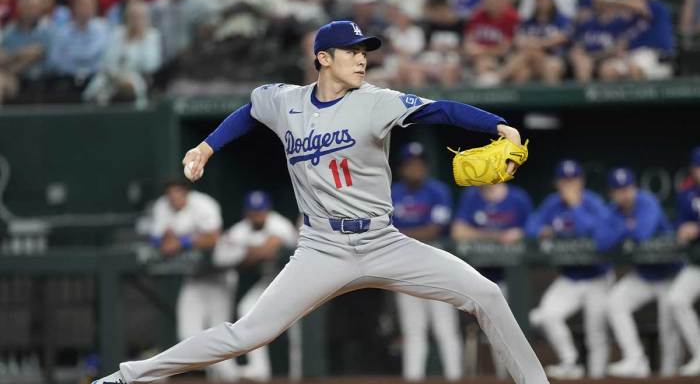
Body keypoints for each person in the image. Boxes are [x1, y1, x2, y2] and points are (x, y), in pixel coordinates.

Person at [93, 20, 549, 384]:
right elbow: (249, 111)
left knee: (486, 295)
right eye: (351, 52)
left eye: (364, 51)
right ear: (322, 58)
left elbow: (440, 109)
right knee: (247, 334)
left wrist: (498, 125)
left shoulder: (376, 102)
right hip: (321, 248)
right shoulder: (285, 102)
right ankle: (126, 378)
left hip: (384, 241)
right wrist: (206, 148)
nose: (361, 59)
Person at [525, 160, 612, 379]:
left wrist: (575, 206)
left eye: (573, 180)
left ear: (581, 181)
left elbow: (599, 234)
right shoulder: (553, 203)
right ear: (557, 183)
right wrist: (542, 231)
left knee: (596, 333)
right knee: (547, 315)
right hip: (570, 278)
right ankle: (570, 362)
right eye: (564, 181)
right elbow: (530, 227)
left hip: (597, 277)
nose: (569, 185)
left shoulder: (593, 202)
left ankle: (597, 376)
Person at [148, 179, 235, 381]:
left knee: (222, 334)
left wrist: (182, 241)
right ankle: (213, 374)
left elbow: (213, 237)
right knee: (187, 333)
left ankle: (229, 378)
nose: (174, 198)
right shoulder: (162, 206)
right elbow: (155, 237)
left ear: (186, 193)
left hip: (218, 277)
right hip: (194, 278)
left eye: (177, 193)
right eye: (170, 194)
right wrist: (165, 241)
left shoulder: (204, 204)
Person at [601, 167, 684, 378]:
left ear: (634, 187)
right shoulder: (613, 209)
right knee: (615, 301)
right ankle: (635, 359)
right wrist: (625, 226)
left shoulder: (647, 201)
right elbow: (603, 240)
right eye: (619, 190)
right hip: (644, 275)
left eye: (628, 188)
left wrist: (621, 228)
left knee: (668, 332)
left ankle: (671, 375)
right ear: (612, 193)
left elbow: (642, 233)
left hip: (670, 274)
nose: (625, 194)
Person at [390, 142, 462, 382]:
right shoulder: (392, 192)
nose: (416, 168)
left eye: (420, 164)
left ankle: (455, 377)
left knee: (444, 327)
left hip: (435, 262)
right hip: (404, 265)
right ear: (402, 168)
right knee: (413, 329)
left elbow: (435, 229)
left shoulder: (438, 191)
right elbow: (384, 229)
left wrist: (401, 234)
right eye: (411, 164)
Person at [213, 190, 298, 381]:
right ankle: (259, 369)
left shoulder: (280, 224)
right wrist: (254, 251)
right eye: (253, 211)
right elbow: (220, 255)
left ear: (268, 210)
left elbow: (283, 247)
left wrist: (252, 251)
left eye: (260, 211)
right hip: (270, 281)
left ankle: (300, 374)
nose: (257, 215)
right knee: (246, 308)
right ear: (246, 212)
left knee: (296, 327)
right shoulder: (240, 229)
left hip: (294, 281)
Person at [451, 182, 532, 378]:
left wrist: (520, 234)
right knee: (492, 332)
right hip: (476, 278)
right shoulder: (471, 196)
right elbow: (458, 232)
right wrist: (497, 236)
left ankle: (511, 378)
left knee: (509, 333)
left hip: (511, 280)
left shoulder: (518, 197)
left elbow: (533, 228)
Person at [82, 0, 162, 107]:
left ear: (146, 18)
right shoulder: (117, 33)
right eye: (133, 16)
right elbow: (107, 60)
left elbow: (151, 65)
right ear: (126, 17)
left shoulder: (152, 36)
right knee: (97, 89)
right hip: (112, 77)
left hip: (138, 79)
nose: (136, 20)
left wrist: (140, 37)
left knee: (128, 88)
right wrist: (117, 76)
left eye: (140, 17)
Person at [668, 147, 700, 377]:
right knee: (676, 299)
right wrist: (682, 231)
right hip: (696, 265)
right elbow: (678, 225)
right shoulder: (687, 195)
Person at [502, 0, 571, 84]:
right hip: (531, 60)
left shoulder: (561, 19)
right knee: (522, 72)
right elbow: (519, 40)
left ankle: (497, 78)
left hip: (554, 57)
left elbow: (562, 38)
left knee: (551, 66)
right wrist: (537, 43)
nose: (541, 2)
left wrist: (537, 43)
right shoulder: (528, 21)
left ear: (551, 1)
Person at [0, 0, 51, 103]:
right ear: (19, 7)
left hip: (41, 80)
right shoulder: (10, 30)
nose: (28, 9)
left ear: (40, 8)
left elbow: (36, 53)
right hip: (13, 80)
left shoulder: (47, 28)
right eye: (25, 5)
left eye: (32, 6)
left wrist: (11, 60)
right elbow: (2, 58)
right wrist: (21, 53)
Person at [463, 0, 519, 86]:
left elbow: (505, 48)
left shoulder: (512, 17)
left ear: (503, 2)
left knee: (520, 66)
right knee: (483, 62)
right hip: (479, 57)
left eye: (496, 0)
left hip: (504, 58)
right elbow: (468, 42)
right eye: (489, 0)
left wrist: (482, 50)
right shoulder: (478, 15)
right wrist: (477, 50)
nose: (492, 3)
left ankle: (494, 82)